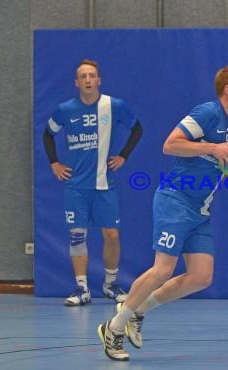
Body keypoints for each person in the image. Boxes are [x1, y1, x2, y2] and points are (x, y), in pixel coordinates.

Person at [97, 65, 228, 361]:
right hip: (175, 199)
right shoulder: (207, 113)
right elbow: (170, 145)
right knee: (163, 269)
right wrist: (212, 147)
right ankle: (114, 328)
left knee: (201, 276)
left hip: (200, 209)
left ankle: (138, 311)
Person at [43, 59, 143, 306]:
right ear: (76, 82)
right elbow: (48, 134)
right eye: (83, 76)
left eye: (92, 76)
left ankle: (110, 284)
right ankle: (82, 289)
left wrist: (123, 156)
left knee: (111, 235)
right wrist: (54, 162)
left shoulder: (113, 105)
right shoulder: (65, 109)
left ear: (99, 80)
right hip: (75, 187)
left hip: (103, 185)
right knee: (77, 236)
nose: (88, 80)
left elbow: (137, 128)